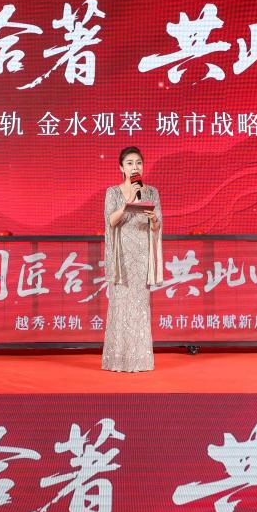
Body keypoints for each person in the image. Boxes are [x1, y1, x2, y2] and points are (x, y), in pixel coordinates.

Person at [101, 146, 163, 372]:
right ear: (121, 168)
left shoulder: (151, 192)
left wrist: (154, 219)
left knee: (139, 306)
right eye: (129, 163)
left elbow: (157, 226)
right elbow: (111, 221)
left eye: (138, 163)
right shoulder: (113, 192)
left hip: (142, 255)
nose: (134, 167)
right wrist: (128, 202)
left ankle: (140, 360)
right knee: (120, 306)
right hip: (122, 257)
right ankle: (118, 360)